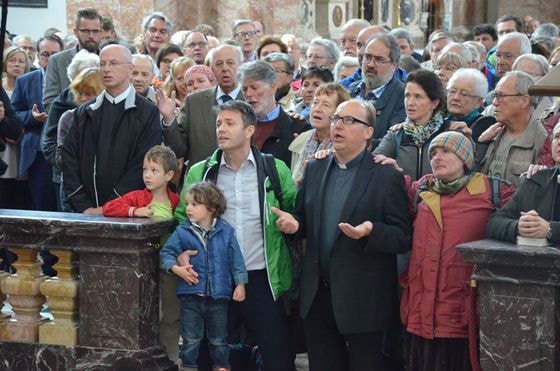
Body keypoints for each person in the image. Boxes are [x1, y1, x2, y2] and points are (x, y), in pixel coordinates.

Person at [273, 98, 412, 371]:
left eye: (349, 121)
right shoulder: (315, 168)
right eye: (336, 118)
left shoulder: (385, 176)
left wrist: (372, 231)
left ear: (369, 131)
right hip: (318, 296)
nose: (338, 125)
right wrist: (295, 225)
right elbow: (303, 217)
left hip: (363, 298)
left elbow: (402, 236)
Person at [176, 100, 297, 371]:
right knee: (210, 357)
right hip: (216, 280)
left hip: (263, 277)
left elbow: (295, 210)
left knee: (278, 357)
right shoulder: (201, 172)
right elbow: (183, 218)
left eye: (230, 123)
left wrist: (293, 222)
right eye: (219, 123)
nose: (221, 129)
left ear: (249, 130)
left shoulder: (274, 169)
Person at [401, 131, 515, 371]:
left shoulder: (493, 191)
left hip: (464, 314)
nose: (437, 157)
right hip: (420, 312)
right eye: (433, 153)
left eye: (446, 151)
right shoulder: (420, 189)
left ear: (465, 158)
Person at [60, 44, 162, 214]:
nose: (106, 69)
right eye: (102, 64)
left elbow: (143, 163)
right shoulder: (84, 112)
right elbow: (68, 158)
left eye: (113, 63)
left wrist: (109, 207)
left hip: (127, 209)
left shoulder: (147, 112)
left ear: (130, 70)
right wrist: (84, 206)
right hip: (85, 210)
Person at [160, 181, 247, 371]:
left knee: (219, 340)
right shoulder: (183, 231)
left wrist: (240, 284)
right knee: (191, 339)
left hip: (219, 299)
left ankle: (222, 367)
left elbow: (236, 260)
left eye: (195, 204)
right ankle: (188, 367)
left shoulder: (226, 232)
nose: (188, 208)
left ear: (212, 208)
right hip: (191, 297)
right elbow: (165, 253)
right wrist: (176, 269)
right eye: (188, 204)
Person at [157, 44, 244, 167]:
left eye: (230, 63)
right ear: (212, 69)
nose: (225, 68)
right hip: (202, 179)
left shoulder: (251, 100)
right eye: (219, 64)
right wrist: (169, 119)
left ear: (241, 65)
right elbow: (178, 150)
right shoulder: (194, 102)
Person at [41, 50, 100, 211]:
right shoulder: (67, 115)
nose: (83, 98)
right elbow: (51, 147)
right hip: (69, 184)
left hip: (99, 187)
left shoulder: (110, 116)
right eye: (80, 93)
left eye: (89, 93)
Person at [10, 35, 63, 211]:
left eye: (55, 54)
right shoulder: (25, 80)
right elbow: (14, 114)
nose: (50, 58)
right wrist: (34, 118)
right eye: (45, 54)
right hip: (38, 152)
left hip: (66, 150)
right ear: (38, 56)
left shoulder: (70, 78)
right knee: (42, 206)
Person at [488, 119, 560, 244]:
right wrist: (518, 227)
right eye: (557, 137)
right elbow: (494, 223)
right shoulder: (535, 180)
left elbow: (550, 229)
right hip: (536, 262)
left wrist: (551, 229)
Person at [373, 69, 447, 181]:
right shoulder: (397, 134)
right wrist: (389, 169)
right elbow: (373, 161)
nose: (410, 102)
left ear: (434, 103)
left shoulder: (448, 132)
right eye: (407, 96)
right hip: (402, 196)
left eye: (418, 97)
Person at [476, 71, 547, 187]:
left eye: (500, 96)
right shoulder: (490, 134)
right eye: (495, 96)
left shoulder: (542, 141)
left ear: (524, 101)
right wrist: (480, 145)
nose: (494, 103)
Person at [238, 60, 308, 166]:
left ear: (273, 87)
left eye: (254, 87)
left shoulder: (297, 127)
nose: (248, 94)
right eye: (244, 89)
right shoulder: (238, 126)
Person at [349, 33, 406, 142]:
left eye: (379, 59)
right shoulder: (351, 89)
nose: (370, 64)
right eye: (368, 57)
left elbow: (392, 141)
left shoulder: (402, 97)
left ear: (394, 65)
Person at [43, 8, 103, 112]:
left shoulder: (108, 60)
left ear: (101, 32)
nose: (91, 36)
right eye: (85, 31)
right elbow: (49, 102)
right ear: (76, 32)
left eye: (95, 31)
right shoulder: (57, 61)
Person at [289, 82, 349, 185]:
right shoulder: (301, 139)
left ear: (339, 113)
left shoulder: (345, 146)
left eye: (326, 105)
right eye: (315, 103)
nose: (317, 109)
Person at [102, 145, 180, 217]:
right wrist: (135, 211)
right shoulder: (136, 197)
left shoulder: (176, 201)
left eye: (154, 171)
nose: (147, 175)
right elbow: (108, 207)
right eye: (145, 169)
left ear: (169, 175)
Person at [445, 68, 495, 143]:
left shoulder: (485, 127)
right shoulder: (441, 121)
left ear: (478, 102)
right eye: (452, 91)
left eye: (464, 94)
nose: (455, 97)